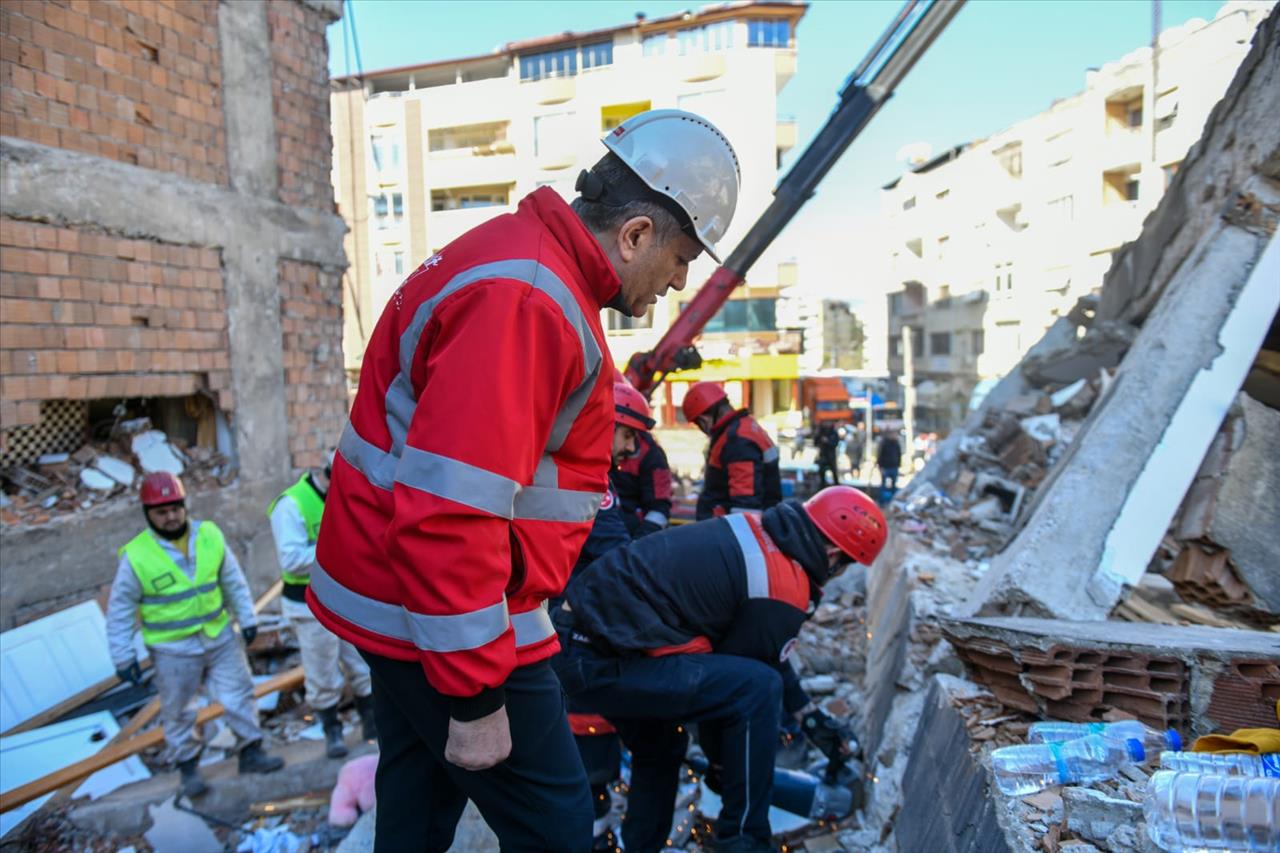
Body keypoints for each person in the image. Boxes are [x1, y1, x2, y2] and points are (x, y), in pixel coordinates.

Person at [308, 109, 741, 852]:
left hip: (421, 607)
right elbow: (449, 513)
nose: (677, 282)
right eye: (681, 259)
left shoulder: (524, 266)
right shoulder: (531, 297)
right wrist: (475, 695)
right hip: (453, 622)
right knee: (557, 827)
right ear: (635, 232)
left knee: (416, 806)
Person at [553, 486, 888, 852]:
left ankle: (642, 847)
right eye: (846, 565)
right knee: (758, 690)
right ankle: (744, 839)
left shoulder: (761, 530)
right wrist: (725, 766)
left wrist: (806, 714)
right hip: (602, 657)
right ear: (834, 554)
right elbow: (739, 687)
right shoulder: (783, 585)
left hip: (582, 642)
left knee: (662, 744)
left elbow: (763, 651)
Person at [108, 472, 284, 799]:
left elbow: (232, 580)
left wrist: (246, 619)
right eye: (162, 511)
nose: (171, 516)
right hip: (173, 649)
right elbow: (119, 611)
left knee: (239, 693)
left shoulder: (209, 535)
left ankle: (251, 752)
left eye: (175, 508)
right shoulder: (137, 556)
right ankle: (189, 768)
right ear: (148, 514)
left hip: (218, 636)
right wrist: (123, 656)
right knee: (179, 710)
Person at [562, 381, 654, 848]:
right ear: (606, 424)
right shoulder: (590, 479)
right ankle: (590, 836)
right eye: (628, 436)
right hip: (573, 626)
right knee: (585, 738)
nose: (631, 450)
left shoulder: (569, 465)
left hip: (563, 615)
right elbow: (615, 557)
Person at [267, 451, 375, 759]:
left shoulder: (345, 496)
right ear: (328, 475)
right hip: (308, 604)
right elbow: (290, 559)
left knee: (361, 664)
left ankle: (370, 724)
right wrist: (336, 547)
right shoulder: (291, 505)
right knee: (322, 671)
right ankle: (332, 731)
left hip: (347, 598)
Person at [684, 381, 782, 520]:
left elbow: (746, 502)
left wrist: (740, 535)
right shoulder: (744, 428)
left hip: (729, 529)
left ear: (704, 419)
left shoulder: (737, 440)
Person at [610, 374, 673, 537]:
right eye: (627, 436)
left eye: (631, 435)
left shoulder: (651, 455)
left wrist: (636, 547)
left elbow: (660, 508)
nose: (630, 447)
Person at [876, 429, 903, 505]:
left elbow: (899, 454)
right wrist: (880, 466)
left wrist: (898, 465)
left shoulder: (896, 443)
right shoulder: (884, 443)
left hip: (894, 467)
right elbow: (880, 455)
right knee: (883, 485)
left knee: (894, 485)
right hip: (886, 467)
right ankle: (882, 501)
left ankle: (892, 501)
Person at [815, 422, 840, 486]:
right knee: (821, 472)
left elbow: (835, 444)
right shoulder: (821, 432)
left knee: (834, 472)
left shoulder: (834, 433)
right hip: (823, 456)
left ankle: (836, 485)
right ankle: (822, 485)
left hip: (831, 456)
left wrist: (827, 441)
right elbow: (815, 443)